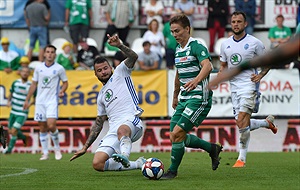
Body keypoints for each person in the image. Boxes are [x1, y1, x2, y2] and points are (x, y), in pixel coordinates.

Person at [70, 34, 146, 172]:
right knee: (98, 164)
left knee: (122, 129)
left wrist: (119, 46)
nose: (103, 72)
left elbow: (133, 57)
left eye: (105, 68)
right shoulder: (101, 96)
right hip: (114, 130)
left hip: (131, 121)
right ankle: (138, 164)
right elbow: (98, 124)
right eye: (99, 70)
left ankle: (124, 155)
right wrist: (85, 148)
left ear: (110, 67)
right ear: (95, 74)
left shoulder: (120, 72)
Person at [161, 14, 223, 179]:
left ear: (187, 29)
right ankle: (212, 149)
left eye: (177, 31)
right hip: (184, 98)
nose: (174, 34)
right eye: (172, 31)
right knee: (175, 135)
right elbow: (179, 73)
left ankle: (172, 171)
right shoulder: (178, 49)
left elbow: (208, 66)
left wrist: (196, 81)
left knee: (177, 133)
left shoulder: (196, 45)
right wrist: (175, 95)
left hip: (199, 98)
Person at [217, 11, 278, 168]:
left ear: (245, 24)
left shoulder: (254, 43)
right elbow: (223, 66)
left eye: (239, 21)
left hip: (249, 85)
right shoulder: (225, 44)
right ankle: (266, 123)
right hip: (234, 87)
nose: (236, 24)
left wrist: (261, 75)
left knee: (243, 118)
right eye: (233, 21)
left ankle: (241, 159)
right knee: (241, 123)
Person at [24, 45, 68, 161]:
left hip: (52, 101)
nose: (49, 54)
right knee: (42, 127)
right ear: (44, 54)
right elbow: (34, 84)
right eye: (47, 52)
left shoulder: (59, 68)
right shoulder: (38, 68)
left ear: (55, 54)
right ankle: (45, 153)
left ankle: (57, 149)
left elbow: (65, 83)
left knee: (51, 125)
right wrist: (27, 99)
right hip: (40, 102)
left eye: (52, 52)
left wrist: (62, 91)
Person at [208, 33, 300, 87]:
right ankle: (263, 122)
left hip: (247, 83)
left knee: (242, 116)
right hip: (237, 83)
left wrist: (240, 68)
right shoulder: (225, 45)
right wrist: (240, 68)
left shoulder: (254, 42)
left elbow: (275, 56)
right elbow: (276, 56)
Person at [4, 67, 35, 154]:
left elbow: (35, 98)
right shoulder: (15, 83)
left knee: (13, 130)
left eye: (26, 72)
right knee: (11, 131)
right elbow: (11, 92)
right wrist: (8, 101)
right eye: (23, 71)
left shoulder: (31, 85)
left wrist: (30, 104)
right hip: (13, 110)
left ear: (29, 74)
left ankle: (9, 150)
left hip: (22, 112)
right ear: (20, 73)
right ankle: (24, 137)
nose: (25, 73)